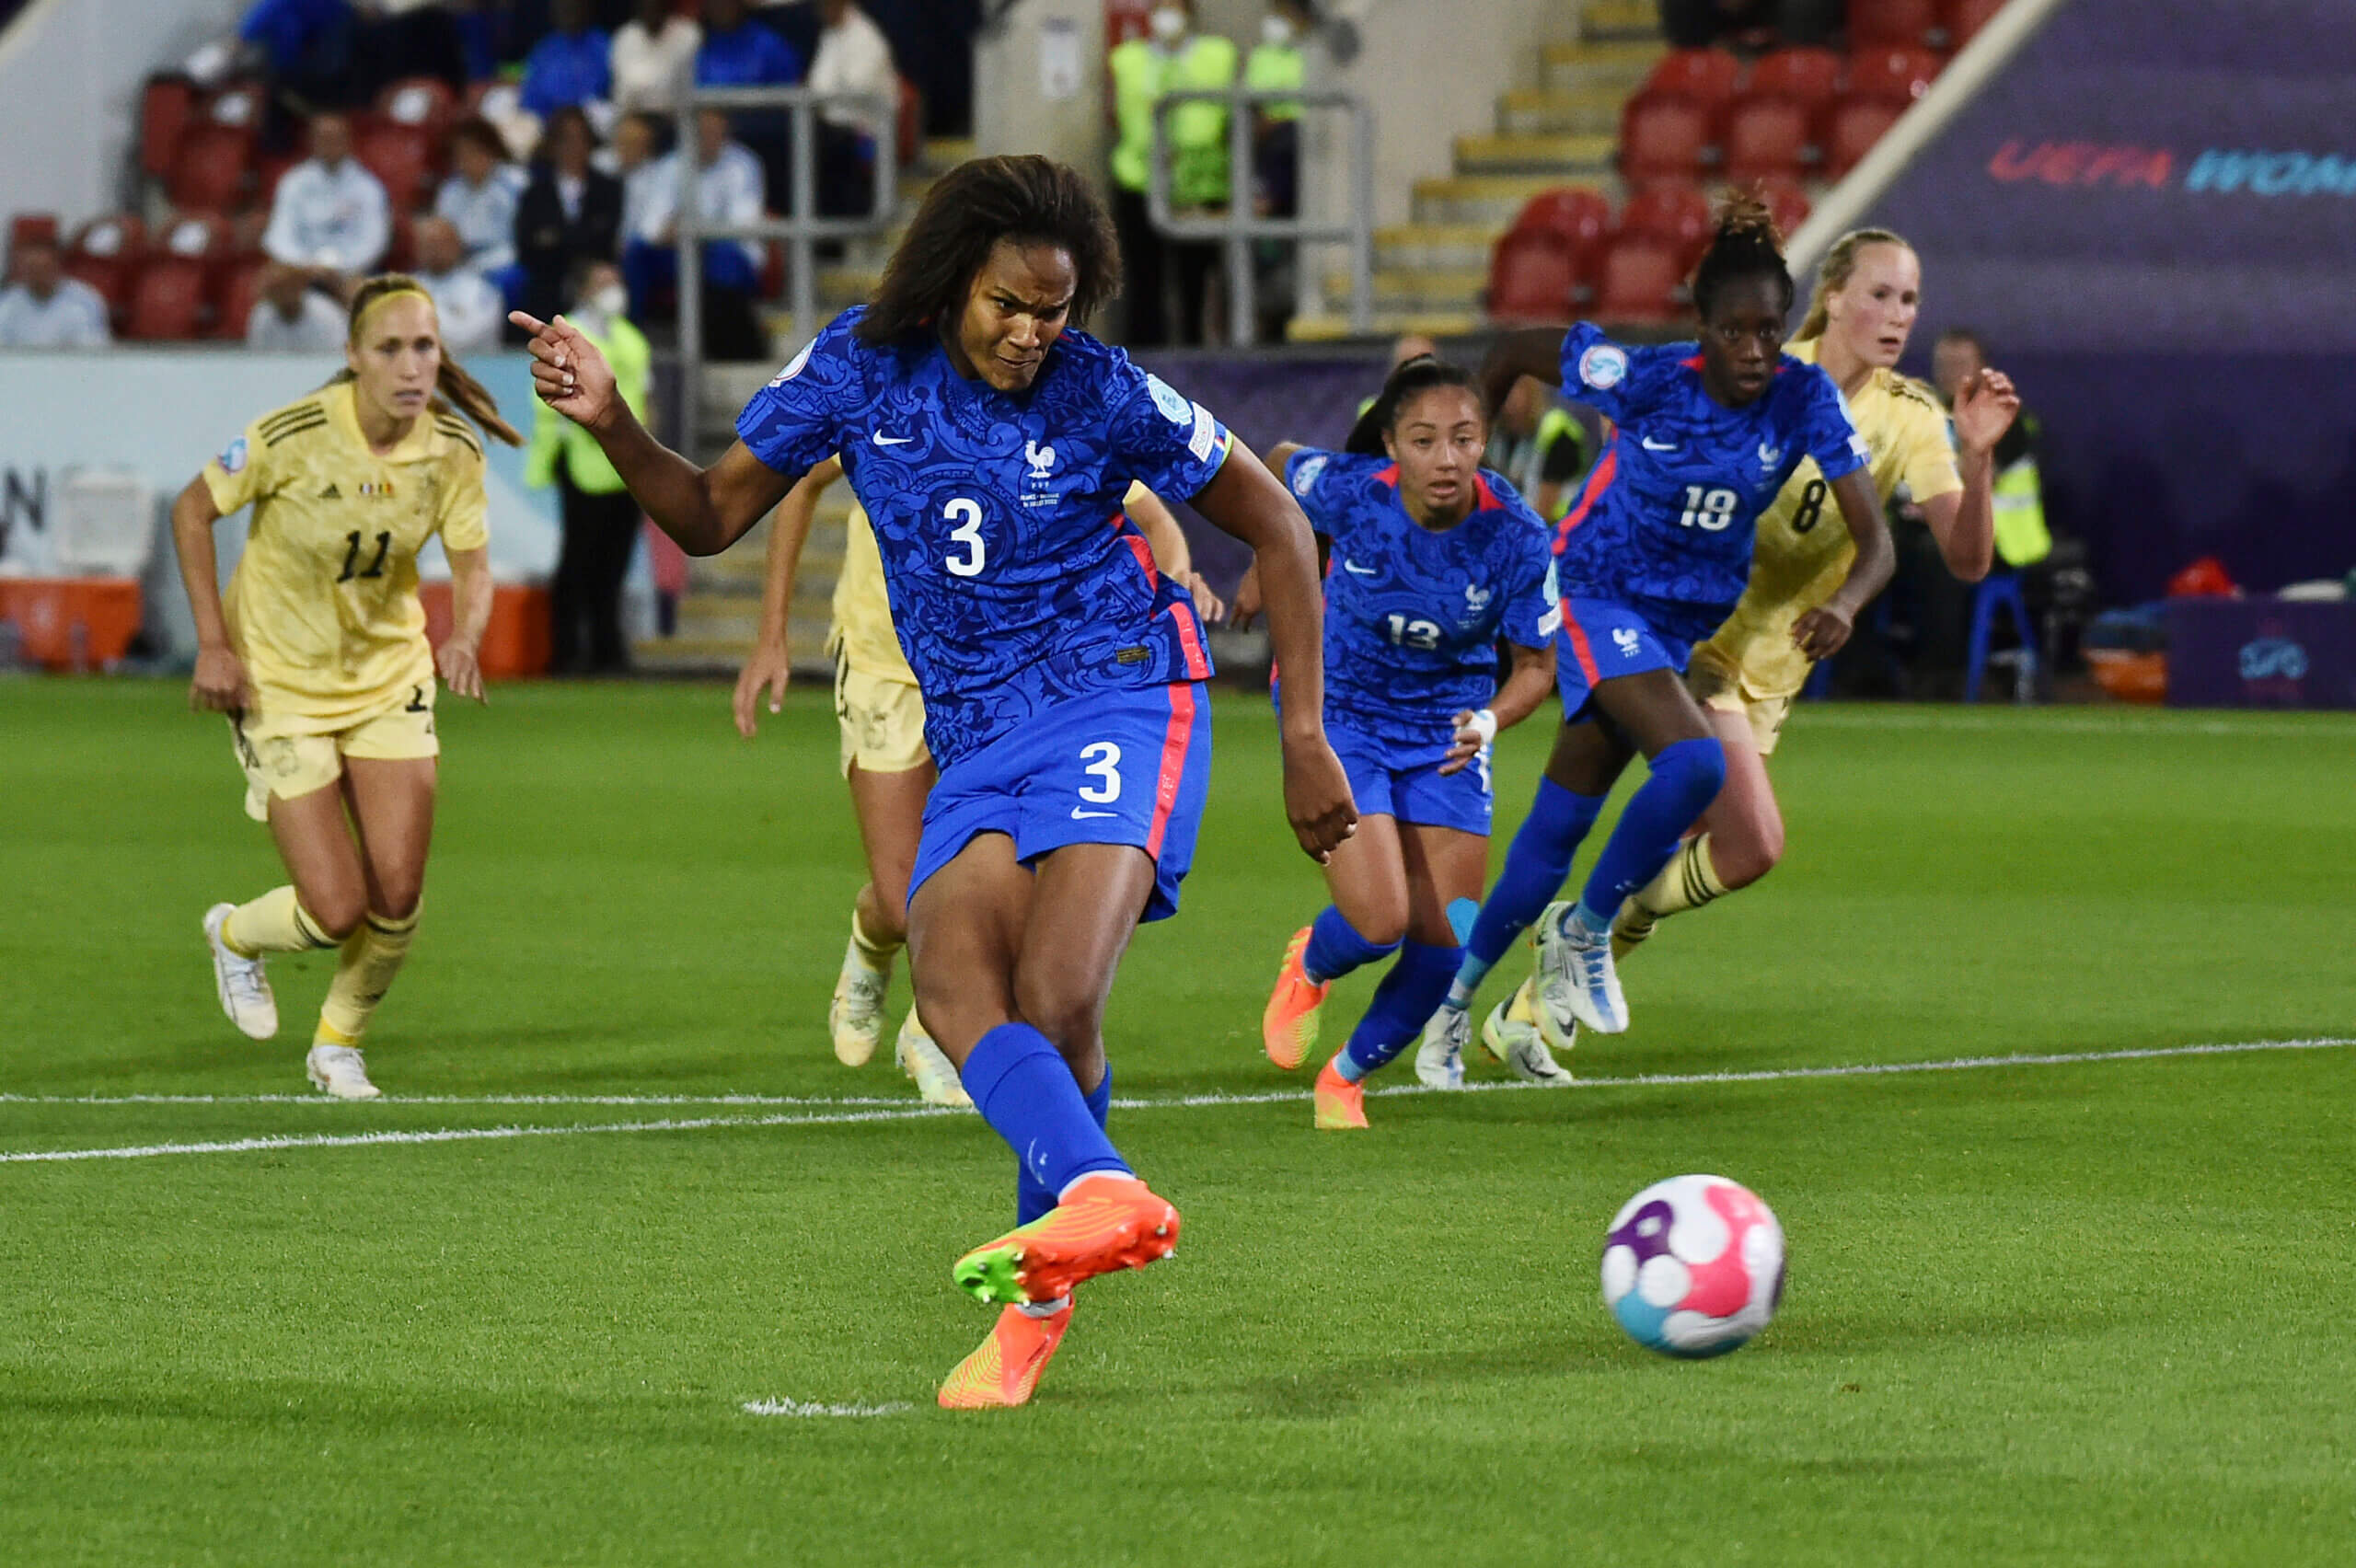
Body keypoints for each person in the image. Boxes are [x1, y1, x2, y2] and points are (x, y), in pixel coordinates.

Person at [510, 154, 1353, 1408]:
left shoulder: (1104, 391)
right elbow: (704, 513)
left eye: (1053, 310)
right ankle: (1100, 1195)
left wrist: (1301, 736)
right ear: (954, 279)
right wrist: (614, 419)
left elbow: (1279, 523)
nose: (1028, 333)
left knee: (1060, 996)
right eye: (1007, 304)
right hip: (976, 732)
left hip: (1120, 687)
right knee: (954, 986)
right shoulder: (856, 365)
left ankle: (1035, 1309)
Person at [1481, 230, 2022, 1062]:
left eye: (1910, 300)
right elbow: (1642, 422)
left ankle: (1535, 995)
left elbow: (1968, 558)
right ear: (1832, 295)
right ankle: (1575, 935)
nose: (1896, 315)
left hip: (1776, 667)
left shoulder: (1908, 418)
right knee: (1749, 837)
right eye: (1879, 294)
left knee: (1708, 841)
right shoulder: (1758, 358)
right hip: (1693, 639)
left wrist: (1977, 459)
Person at [1415, 194, 1890, 1082]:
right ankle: (1585, 930)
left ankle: (1454, 1013)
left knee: (1556, 829)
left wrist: (1850, 604)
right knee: (1698, 766)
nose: (1754, 350)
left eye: (1770, 330)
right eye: (1735, 331)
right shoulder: (1644, 378)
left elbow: (1879, 540)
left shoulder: (1801, 398)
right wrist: (1467, 466)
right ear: (1701, 327)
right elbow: (1516, 344)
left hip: (1671, 628)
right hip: (1593, 593)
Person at [733, 462, 1226, 1108]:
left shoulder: (1040, 415)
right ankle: (871, 938)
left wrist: (1166, 585)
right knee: (902, 898)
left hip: (1009, 677)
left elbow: (1155, 517)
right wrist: (772, 634)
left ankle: (930, 1030)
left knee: (997, 887)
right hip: (889, 664)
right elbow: (797, 481)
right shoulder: (885, 391)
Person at [174, 273, 519, 1100]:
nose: (411, 368)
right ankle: (234, 935)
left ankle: (337, 1047)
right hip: (279, 680)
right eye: (391, 349)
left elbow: (473, 566)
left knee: (396, 893)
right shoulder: (292, 436)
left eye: (425, 348)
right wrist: (213, 647)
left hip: (386, 677)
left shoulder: (452, 450)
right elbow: (192, 512)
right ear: (354, 357)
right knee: (337, 909)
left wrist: (465, 637)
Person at [1253, 356, 1558, 1128]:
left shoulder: (1516, 535)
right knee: (1381, 920)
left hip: (1446, 737)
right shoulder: (1353, 491)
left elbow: (1536, 667)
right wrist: (1269, 558)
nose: (1446, 458)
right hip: (1344, 718)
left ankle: (1346, 1078)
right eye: (1425, 440)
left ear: (1485, 440)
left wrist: (1490, 720)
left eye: (1463, 438)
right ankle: (1313, 961)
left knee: (1445, 945)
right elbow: (1276, 466)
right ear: (1391, 444)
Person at [527, 259, 652, 674]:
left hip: (626, 465)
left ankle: (607, 652)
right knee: (578, 561)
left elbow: (645, 399)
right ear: (582, 292)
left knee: (613, 563)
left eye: (617, 282)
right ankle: (565, 653)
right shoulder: (566, 338)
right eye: (603, 284)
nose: (614, 290)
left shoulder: (631, 339)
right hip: (581, 458)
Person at [1107, 0, 1238, 347]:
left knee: (1196, 287)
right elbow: (1121, 117)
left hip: (1201, 188)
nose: (1166, 15)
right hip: (1140, 184)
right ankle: (1143, 370)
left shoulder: (1217, 57)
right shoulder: (1129, 61)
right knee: (1144, 289)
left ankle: (1198, 369)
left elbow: (1227, 123)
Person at [514, 106, 624, 332]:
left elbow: (607, 238)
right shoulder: (536, 193)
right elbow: (527, 245)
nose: (574, 147)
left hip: (594, 272)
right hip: (549, 277)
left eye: (580, 139)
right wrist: (581, 236)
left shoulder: (608, 188)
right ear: (553, 145)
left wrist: (556, 238)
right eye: (566, 139)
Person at [262, 112, 391, 293]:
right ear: (311, 141)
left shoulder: (368, 186)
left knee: (360, 292)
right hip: (301, 268)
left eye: (335, 138)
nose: (329, 144)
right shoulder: (294, 181)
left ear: (349, 141)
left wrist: (341, 268)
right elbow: (279, 235)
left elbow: (374, 240)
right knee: (273, 281)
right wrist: (304, 265)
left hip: (349, 271)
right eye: (323, 138)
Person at [806, 0, 895, 217]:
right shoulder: (830, 35)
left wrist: (819, 108)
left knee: (823, 142)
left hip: (865, 132)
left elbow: (855, 97)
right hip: (831, 128)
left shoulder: (867, 38)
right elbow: (816, 87)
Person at [434, 118, 528, 287]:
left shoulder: (515, 182)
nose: (466, 160)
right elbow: (444, 234)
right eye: (460, 154)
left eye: (472, 152)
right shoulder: (450, 190)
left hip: (506, 258)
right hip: (464, 262)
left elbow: (524, 236)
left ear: (490, 152)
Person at [1486, 373, 1588, 522]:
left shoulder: (1558, 431)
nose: (1510, 399)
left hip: (1560, 531)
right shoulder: (1500, 436)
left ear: (1532, 392)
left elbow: (1544, 508)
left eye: (1516, 389)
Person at [410, 216, 505, 352]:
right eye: (427, 244)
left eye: (440, 243)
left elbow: (466, 337)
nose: (434, 250)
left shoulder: (481, 290)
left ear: (457, 245)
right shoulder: (404, 288)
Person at [0, 237, 113, 348]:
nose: (37, 275)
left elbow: (95, 351)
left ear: (58, 266)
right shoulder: (6, 302)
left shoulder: (86, 301)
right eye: (31, 269)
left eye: (43, 268)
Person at [518, 0, 613, 119]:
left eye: (572, 5)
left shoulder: (603, 45)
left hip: (591, 120)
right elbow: (530, 96)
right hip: (548, 120)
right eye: (562, 5)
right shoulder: (545, 48)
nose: (567, 9)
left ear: (586, 7)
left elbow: (605, 93)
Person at [611, 0, 702, 116]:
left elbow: (688, 89)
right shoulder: (624, 38)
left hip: (677, 118)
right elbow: (621, 95)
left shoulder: (689, 35)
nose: (650, 5)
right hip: (634, 118)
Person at [246, 260, 352, 350]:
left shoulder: (326, 315)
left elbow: (337, 361)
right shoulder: (262, 315)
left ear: (299, 285)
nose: (282, 294)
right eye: (277, 289)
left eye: (286, 287)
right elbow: (257, 360)